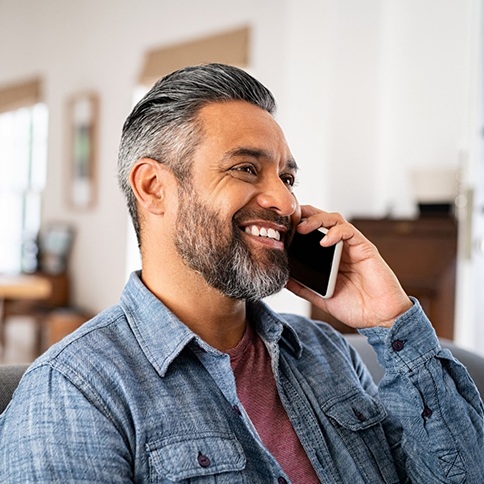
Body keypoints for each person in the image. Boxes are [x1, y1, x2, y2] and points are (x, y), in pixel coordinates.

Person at [0, 63, 483, 483]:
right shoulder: (75, 392)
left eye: (287, 178)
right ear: (153, 188)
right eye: (247, 169)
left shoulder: (327, 354)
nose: (286, 201)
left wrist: (389, 320)